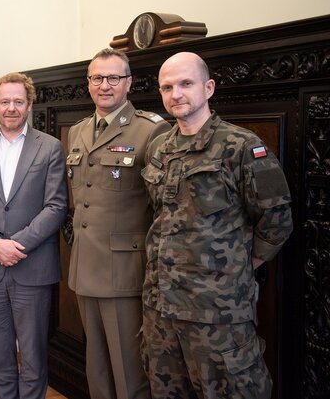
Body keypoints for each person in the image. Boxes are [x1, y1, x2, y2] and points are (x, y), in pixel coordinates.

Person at [141, 52, 293, 399]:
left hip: (217, 313)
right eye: (167, 87)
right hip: (160, 307)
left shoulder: (241, 146)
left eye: (185, 84)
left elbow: (277, 221)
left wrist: (238, 265)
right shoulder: (159, 149)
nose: (175, 93)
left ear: (208, 88)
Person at [66, 48, 170, 399]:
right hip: (84, 268)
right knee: (96, 366)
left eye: (114, 78)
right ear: (89, 83)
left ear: (129, 83)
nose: (105, 85)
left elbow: (163, 208)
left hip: (125, 270)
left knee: (129, 370)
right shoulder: (78, 131)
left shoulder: (152, 131)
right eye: (97, 78)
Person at [0, 72, 67, 399]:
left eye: (18, 101)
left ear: (29, 105)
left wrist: (16, 246)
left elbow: (57, 206)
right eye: (5, 101)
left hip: (32, 266)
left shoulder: (50, 147)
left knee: (33, 357)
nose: (11, 108)